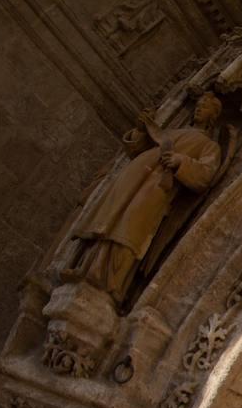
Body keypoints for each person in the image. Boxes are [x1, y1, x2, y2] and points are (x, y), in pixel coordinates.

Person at [67, 90, 224, 304]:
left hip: (154, 190)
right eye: (198, 105)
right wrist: (142, 129)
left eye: (204, 106)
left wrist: (180, 161)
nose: (199, 108)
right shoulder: (173, 131)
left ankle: (107, 283)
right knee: (107, 222)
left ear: (213, 116)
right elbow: (137, 149)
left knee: (129, 229)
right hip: (132, 180)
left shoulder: (208, 145)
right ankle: (86, 268)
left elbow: (206, 174)